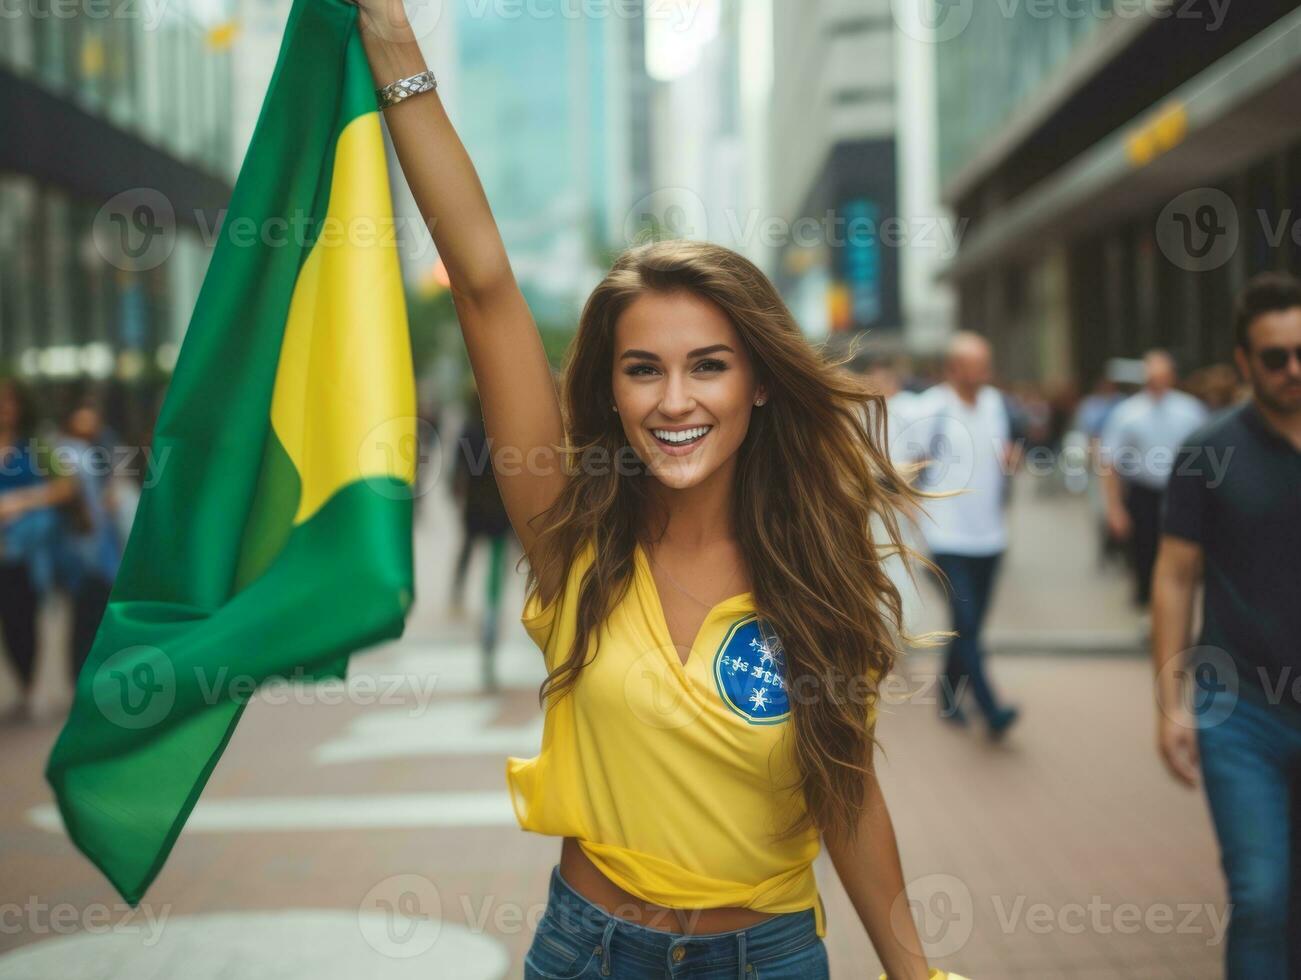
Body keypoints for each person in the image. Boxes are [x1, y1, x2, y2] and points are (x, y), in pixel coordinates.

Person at [350, 4, 965, 977]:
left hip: (767, 956)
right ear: (610, 385)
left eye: (707, 366)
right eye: (642, 368)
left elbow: (844, 792)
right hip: (586, 951)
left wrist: (913, 969)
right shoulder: (569, 531)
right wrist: (390, 39)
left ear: (756, 379)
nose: (673, 400)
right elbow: (482, 284)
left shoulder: (813, 570)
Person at [1152, 272, 1301, 979]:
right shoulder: (1207, 452)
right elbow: (1174, 576)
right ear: (1243, 362)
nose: (1292, 368)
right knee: (1263, 896)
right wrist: (1168, 704)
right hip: (1239, 708)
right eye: (1274, 357)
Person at [902, 332, 1021, 739]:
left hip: (990, 536)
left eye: (986, 364)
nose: (984, 373)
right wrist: (916, 520)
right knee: (966, 622)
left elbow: (1002, 455)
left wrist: (1010, 463)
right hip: (945, 536)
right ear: (954, 368)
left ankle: (949, 697)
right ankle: (991, 708)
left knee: (967, 626)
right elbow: (907, 468)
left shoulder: (995, 404)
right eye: (976, 365)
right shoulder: (931, 408)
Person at [1100, 350, 1207, 609]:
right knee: (1144, 554)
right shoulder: (1127, 413)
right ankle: (1148, 607)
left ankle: (1177, 607)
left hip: (1182, 492)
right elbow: (1110, 461)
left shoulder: (1191, 410)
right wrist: (1114, 508)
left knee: (1183, 553)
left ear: (1171, 377)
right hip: (1143, 493)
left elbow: (1208, 457)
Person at [0, 378, 78, 722]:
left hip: (26, 553)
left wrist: (21, 501)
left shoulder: (34, 446)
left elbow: (66, 486)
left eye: (9, 401)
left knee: (23, 618)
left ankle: (28, 686)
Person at [450, 386, 516, 691]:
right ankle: (490, 619)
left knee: (466, 551)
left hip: (475, 511)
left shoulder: (469, 431)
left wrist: (460, 495)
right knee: (496, 573)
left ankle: (458, 591)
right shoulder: (503, 429)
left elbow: (457, 475)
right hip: (502, 514)